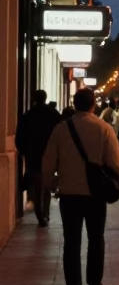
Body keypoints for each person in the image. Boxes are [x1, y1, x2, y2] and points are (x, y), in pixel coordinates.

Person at [40, 88, 119, 285]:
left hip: (69, 194)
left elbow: (48, 163)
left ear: (74, 104)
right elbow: (115, 162)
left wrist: (51, 184)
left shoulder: (61, 129)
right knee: (96, 239)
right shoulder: (103, 128)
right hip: (95, 195)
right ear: (93, 105)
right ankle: (94, 284)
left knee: (71, 244)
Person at [15, 89, 62, 226]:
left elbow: (19, 137)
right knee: (46, 185)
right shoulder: (53, 114)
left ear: (34, 99)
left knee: (37, 185)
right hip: (49, 154)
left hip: (33, 155)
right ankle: (45, 214)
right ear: (45, 98)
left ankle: (39, 215)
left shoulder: (27, 115)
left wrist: (23, 151)